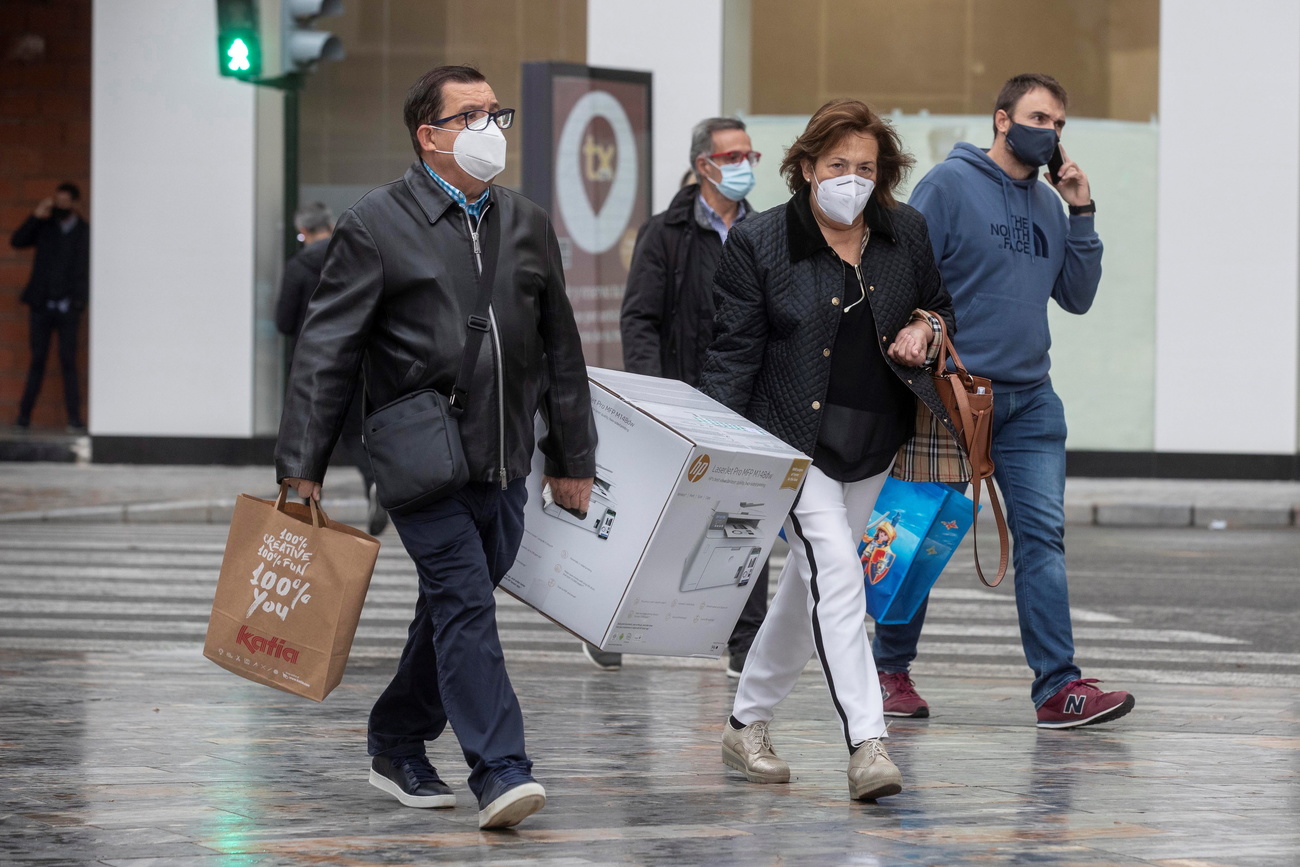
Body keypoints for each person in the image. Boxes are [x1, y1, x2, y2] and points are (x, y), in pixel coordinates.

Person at [275, 65, 597, 830]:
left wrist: (572, 457)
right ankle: (502, 768)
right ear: (430, 134)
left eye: (498, 114)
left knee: (455, 607)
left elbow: (562, 349)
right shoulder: (375, 224)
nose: (493, 128)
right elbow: (327, 351)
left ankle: (394, 737)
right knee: (462, 600)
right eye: (473, 115)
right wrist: (301, 467)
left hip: (504, 455)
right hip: (419, 459)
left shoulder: (525, 221)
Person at [699, 99, 969, 802]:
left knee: (809, 586)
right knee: (841, 575)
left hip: (876, 441)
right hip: (794, 443)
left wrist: (925, 325)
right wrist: (717, 457)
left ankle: (745, 722)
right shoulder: (760, 243)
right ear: (807, 165)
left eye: (867, 168)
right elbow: (732, 359)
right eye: (838, 165)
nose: (852, 179)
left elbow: (939, 303)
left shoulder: (903, 230)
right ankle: (868, 743)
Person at [871, 73, 1135, 730]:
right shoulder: (948, 186)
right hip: (948, 392)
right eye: (1039, 117)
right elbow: (901, 273)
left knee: (1043, 536)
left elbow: (1076, 294)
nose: (1050, 132)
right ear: (1001, 119)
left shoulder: (1051, 205)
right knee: (925, 526)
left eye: (1059, 122)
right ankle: (886, 669)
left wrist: (1082, 211)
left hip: (1030, 400)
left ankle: (1058, 688)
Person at [583, 117, 766, 676]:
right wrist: (653, 395)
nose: (744, 167)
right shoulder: (665, 233)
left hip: (744, 402)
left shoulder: (764, 232)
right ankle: (604, 623)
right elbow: (639, 317)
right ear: (703, 164)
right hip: (680, 397)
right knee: (651, 517)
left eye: (749, 155)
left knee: (745, 516)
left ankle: (745, 638)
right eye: (732, 156)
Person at [275, 201, 388, 537]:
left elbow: (283, 321)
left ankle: (304, 508)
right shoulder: (354, 257)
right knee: (354, 433)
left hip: (311, 368)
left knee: (306, 433)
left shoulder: (298, 267)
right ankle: (373, 482)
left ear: (305, 232)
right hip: (356, 361)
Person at [10, 182, 89, 431]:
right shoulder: (45, 227)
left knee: (68, 361)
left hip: (68, 308)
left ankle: (74, 419)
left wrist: (78, 303)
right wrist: (37, 213)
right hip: (42, 305)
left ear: (75, 203)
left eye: (66, 201)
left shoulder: (85, 232)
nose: (61, 206)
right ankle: (24, 417)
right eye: (58, 201)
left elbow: (85, 271)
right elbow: (17, 241)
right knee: (38, 360)